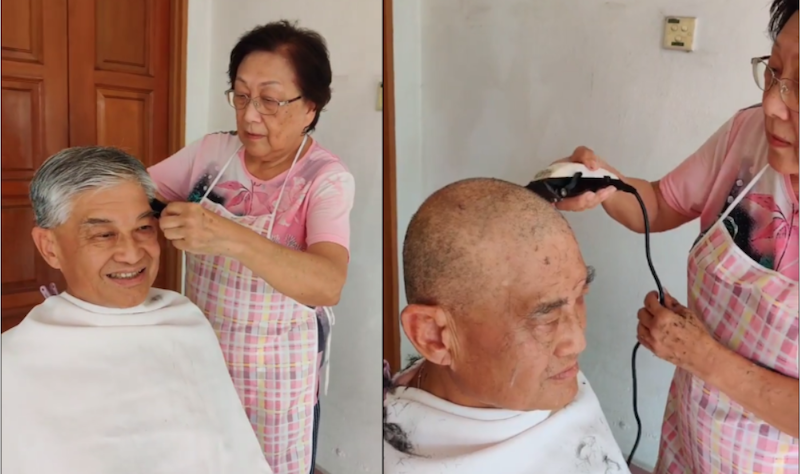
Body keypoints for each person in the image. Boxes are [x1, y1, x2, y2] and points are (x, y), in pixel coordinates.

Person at [555, 1, 798, 472]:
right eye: (773, 72)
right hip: (691, 433)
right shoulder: (748, 136)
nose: (772, 103)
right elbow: (661, 203)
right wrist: (606, 184)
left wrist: (701, 356)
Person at [147, 20, 355, 474]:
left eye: (270, 100)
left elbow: (327, 283)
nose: (250, 116)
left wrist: (227, 235)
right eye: (241, 96)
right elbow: (139, 191)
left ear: (310, 107)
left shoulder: (324, 179)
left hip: (279, 367)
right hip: (206, 347)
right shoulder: (212, 155)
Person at [2, 147, 272, 474]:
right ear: (50, 248)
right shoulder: (15, 361)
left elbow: (228, 450)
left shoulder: (185, 321)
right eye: (103, 234)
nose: (131, 254)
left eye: (144, 228)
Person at [383, 178, 631, 474]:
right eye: (546, 318)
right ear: (434, 336)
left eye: (580, 296)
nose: (577, 342)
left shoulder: (545, 375)